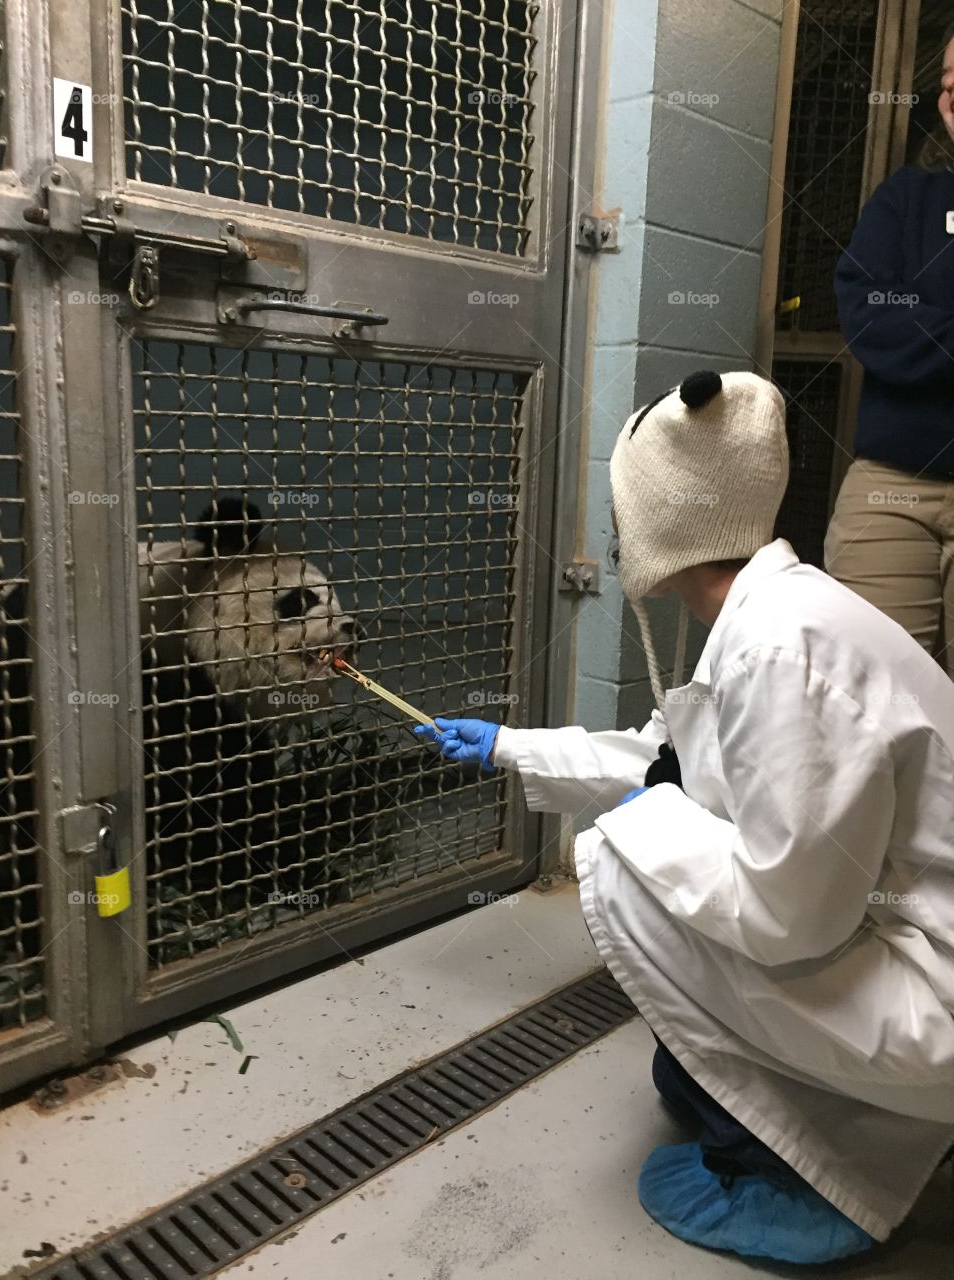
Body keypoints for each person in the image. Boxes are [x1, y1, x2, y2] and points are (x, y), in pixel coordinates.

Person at [417, 370, 954, 1265]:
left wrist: (644, 823)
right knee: (651, 851)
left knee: (626, 869)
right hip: (906, 941)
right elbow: (667, 759)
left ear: (665, 515)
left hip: (932, 995)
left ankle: (819, 1180)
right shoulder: (775, 615)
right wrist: (510, 745)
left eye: (624, 508)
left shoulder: (785, 649)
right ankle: (761, 1098)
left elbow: (789, 915)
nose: (618, 531)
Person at [826, 21, 954, 674]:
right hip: (891, 487)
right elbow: (869, 314)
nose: (951, 96)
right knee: (867, 698)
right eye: (948, 84)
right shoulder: (908, 197)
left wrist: (931, 328)